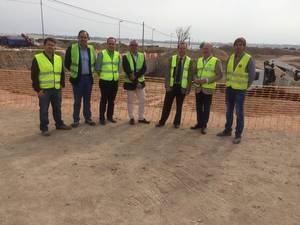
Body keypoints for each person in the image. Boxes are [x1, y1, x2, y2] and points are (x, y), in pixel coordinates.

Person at [217, 37, 256, 144]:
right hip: (229, 88)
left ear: (244, 46)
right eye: (237, 44)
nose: (238, 46)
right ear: (234, 46)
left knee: (239, 112)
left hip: (240, 90)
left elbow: (252, 76)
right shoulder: (231, 57)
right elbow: (227, 72)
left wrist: (244, 86)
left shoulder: (249, 59)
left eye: (240, 45)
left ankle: (238, 134)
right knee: (229, 111)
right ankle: (227, 130)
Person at [31, 37, 71, 136]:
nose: (51, 47)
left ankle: (59, 124)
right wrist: (38, 89)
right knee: (44, 110)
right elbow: (34, 75)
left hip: (57, 89)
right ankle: (44, 128)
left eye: (52, 45)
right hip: (44, 90)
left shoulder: (58, 58)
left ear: (55, 47)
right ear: (44, 46)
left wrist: (62, 84)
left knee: (57, 108)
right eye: (49, 45)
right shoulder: (38, 58)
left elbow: (62, 73)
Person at [156, 42, 193, 128]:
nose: (182, 50)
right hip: (171, 87)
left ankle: (177, 123)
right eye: (180, 48)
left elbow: (190, 76)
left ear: (186, 49)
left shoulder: (189, 61)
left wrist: (188, 88)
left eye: (184, 48)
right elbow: (167, 73)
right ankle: (162, 122)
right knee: (166, 105)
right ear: (178, 49)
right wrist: (167, 86)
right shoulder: (171, 59)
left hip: (182, 87)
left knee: (179, 106)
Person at [65, 30, 96, 128]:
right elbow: (67, 63)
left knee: (87, 100)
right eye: (81, 37)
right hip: (77, 79)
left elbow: (94, 62)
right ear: (78, 38)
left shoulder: (91, 49)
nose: (83, 39)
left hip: (88, 79)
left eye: (85, 37)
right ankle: (76, 120)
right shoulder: (72, 48)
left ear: (88, 38)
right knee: (77, 100)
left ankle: (88, 118)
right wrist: (75, 71)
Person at [191, 42, 223, 134]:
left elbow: (220, 75)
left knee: (206, 108)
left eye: (207, 49)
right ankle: (199, 123)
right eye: (204, 48)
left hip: (208, 89)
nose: (205, 50)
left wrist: (207, 80)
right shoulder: (199, 60)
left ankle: (204, 125)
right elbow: (194, 72)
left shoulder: (216, 61)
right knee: (198, 107)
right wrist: (195, 79)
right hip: (198, 88)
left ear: (211, 49)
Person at [122, 40, 150, 125]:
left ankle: (141, 117)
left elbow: (144, 68)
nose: (134, 47)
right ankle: (131, 117)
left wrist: (137, 79)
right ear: (129, 46)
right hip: (130, 82)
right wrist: (135, 82)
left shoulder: (142, 55)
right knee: (130, 101)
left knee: (142, 99)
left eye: (135, 45)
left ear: (137, 46)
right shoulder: (125, 56)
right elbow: (127, 70)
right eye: (132, 45)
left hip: (140, 82)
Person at [95, 37, 121, 125]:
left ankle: (110, 117)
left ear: (115, 45)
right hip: (105, 81)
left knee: (112, 100)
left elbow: (118, 68)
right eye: (109, 43)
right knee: (104, 100)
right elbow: (97, 68)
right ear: (107, 44)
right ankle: (101, 118)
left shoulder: (118, 54)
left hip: (114, 81)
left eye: (113, 44)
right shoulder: (102, 54)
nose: (111, 45)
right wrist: (103, 76)